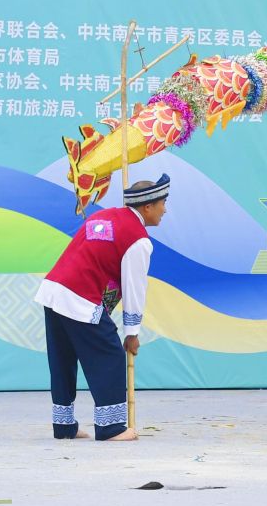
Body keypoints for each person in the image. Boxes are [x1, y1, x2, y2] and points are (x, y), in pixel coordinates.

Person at [35, 174, 170, 442]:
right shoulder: (138, 239)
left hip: (53, 290)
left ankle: (64, 427)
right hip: (79, 296)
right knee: (110, 355)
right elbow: (134, 288)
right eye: (162, 203)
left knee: (63, 359)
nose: (165, 210)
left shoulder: (104, 215)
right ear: (147, 207)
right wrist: (132, 333)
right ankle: (112, 428)